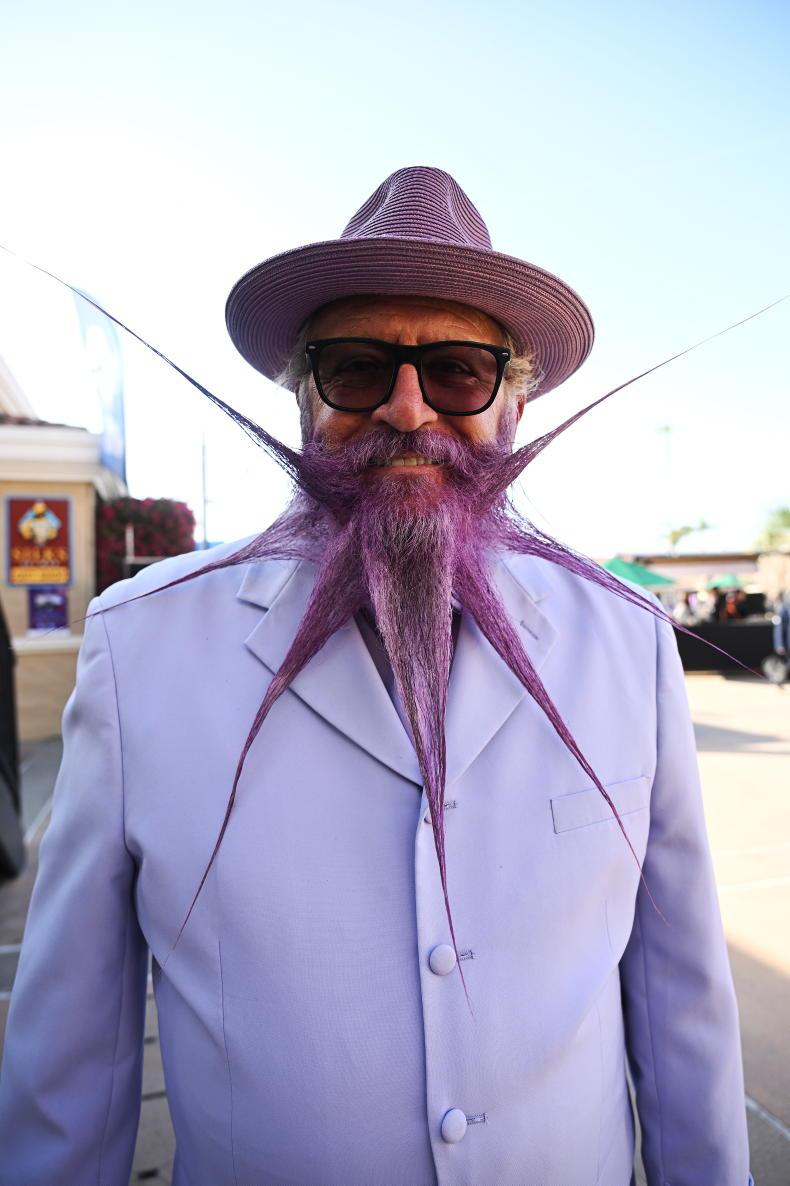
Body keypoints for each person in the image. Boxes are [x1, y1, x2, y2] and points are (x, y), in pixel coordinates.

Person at [0, 167, 752, 1185]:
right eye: (356, 367)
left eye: (457, 370)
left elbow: (681, 1007)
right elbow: (69, 1063)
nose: (406, 408)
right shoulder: (144, 648)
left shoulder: (625, 640)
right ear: (303, 398)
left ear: (513, 405)